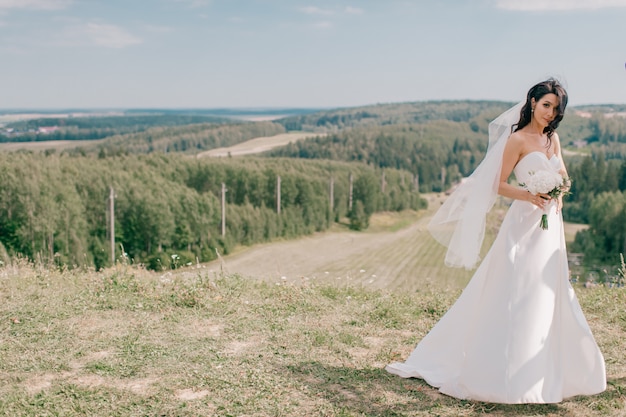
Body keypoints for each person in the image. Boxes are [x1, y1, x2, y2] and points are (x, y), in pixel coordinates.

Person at [386, 79, 606, 404]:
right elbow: (497, 184)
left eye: (556, 109)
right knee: (517, 289)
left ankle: (547, 372)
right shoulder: (516, 140)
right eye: (546, 105)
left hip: (550, 225)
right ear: (532, 102)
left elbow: (564, 175)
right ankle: (503, 373)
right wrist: (529, 194)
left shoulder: (552, 139)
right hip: (523, 222)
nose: (550, 113)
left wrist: (559, 195)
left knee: (548, 291)